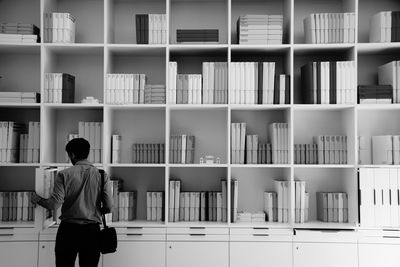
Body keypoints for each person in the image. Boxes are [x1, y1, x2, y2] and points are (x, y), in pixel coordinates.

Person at [32, 138, 113, 267]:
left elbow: (54, 205)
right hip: (92, 231)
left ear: (72, 155)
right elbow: (109, 206)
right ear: (87, 153)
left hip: (68, 230)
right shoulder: (102, 175)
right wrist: (94, 210)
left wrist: (38, 199)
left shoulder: (64, 175)